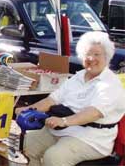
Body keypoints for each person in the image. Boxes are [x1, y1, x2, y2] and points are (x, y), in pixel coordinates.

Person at [15, 31, 125, 166]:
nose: (91, 58)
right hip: (63, 130)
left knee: (54, 157)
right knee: (28, 144)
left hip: (92, 138)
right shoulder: (78, 77)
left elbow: (94, 112)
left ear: (107, 57)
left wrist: (64, 121)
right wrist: (27, 109)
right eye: (87, 54)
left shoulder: (109, 84)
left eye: (97, 54)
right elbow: (51, 100)